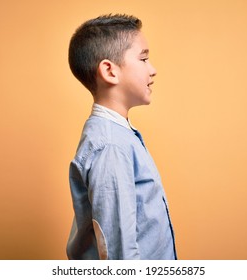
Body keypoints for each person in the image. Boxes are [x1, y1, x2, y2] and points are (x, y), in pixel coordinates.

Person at [66, 14, 177, 260]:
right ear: (109, 71)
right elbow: (119, 257)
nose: (153, 69)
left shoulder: (118, 135)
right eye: (144, 58)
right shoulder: (110, 146)